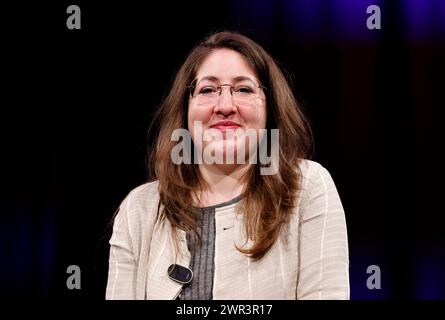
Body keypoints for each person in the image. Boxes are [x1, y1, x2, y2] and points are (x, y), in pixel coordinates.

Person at [106, 31, 349, 300]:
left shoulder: (307, 187)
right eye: (207, 90)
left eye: (244, 89)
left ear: (271, 109)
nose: (224, 106)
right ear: (185, 108)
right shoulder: (139, 208)